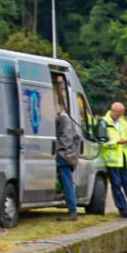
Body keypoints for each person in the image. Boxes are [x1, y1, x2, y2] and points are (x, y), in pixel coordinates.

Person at [54, 91, 83, 222]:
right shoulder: (63, 117)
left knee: (67, 183)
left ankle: (72, 211)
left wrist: (52, 147)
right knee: (66, 182)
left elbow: (65, 139)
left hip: (64, 156)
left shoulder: (63, 118)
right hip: (67, 154)